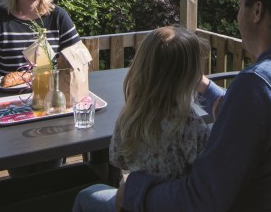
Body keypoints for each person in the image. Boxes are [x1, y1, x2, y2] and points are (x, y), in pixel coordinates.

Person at [77, 0, 271, 212]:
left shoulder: (258, 85)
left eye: (239, 5)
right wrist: (208, 88)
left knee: (89, 196)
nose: (237, 15)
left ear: (257, 11)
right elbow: (259, 117)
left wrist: (133, 191)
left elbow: (199, 200)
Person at [73, 27, 211, 212]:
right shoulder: (190, 125)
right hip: (172, 204)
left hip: (136, 202)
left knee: (88, 194)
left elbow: (117, 159)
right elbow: (206, 176)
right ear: (191, 76)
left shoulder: (130, 116)